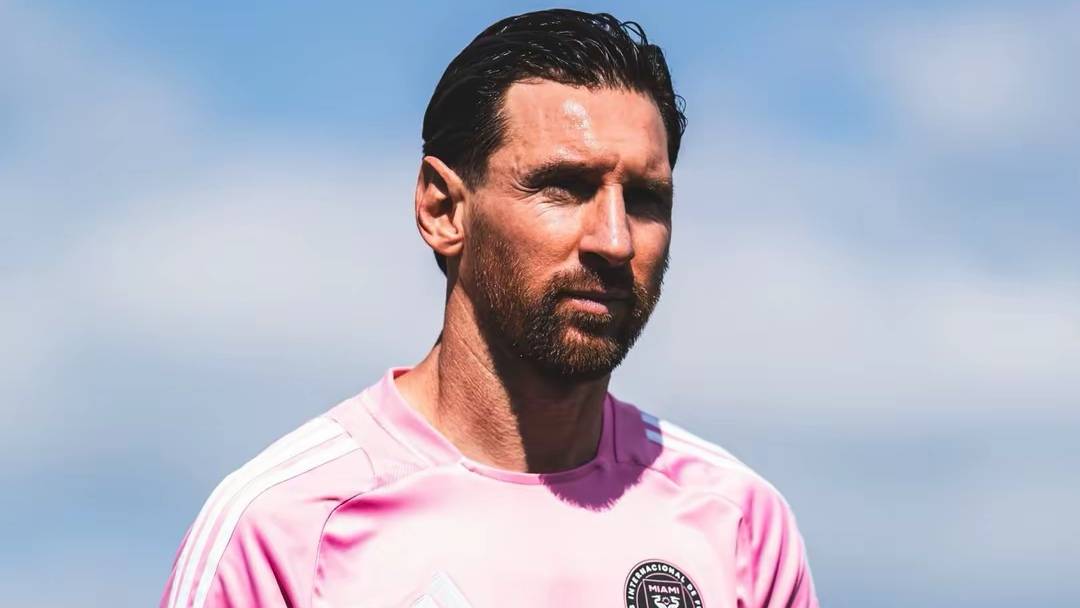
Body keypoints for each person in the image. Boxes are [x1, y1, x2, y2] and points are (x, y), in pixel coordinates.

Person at [160, 9, 818, 608]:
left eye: (646, 199)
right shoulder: (287, 526)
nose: (615, 241)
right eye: (565, 187)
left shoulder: (737, 524)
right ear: (443, 209)